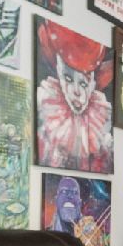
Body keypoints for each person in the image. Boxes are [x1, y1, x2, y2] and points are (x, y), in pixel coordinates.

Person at [36, 20, 114, 173]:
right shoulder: (45, 106)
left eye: (84, 84)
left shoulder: (101, 118)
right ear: (59, 73)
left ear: (93, 84)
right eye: (68, 79)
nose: (76, 91)